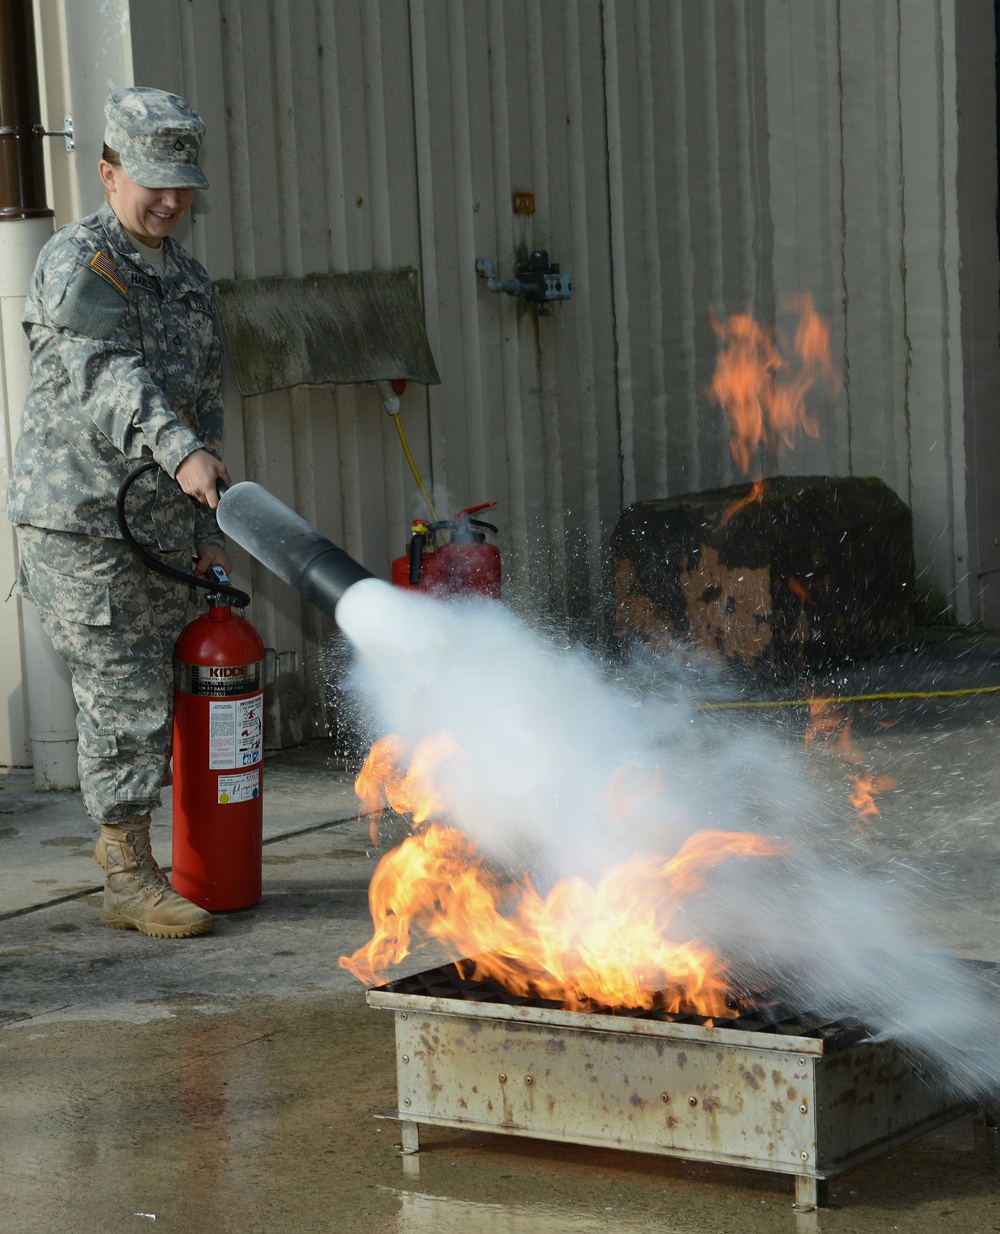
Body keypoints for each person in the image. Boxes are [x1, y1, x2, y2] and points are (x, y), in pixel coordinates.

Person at [5, 86, 233, 939]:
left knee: (154, 697)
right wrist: (178, 451)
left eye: (182, 183)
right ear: (108, 173)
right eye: (151, 181)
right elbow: (107, 376)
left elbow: (206, 407)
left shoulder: (189, 280)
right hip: (83, 527)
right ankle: (126, 876)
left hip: (162, 529)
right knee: (124, 693)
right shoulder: (79, 264)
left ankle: (141, 853)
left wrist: (209, 532)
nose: (169, 200)